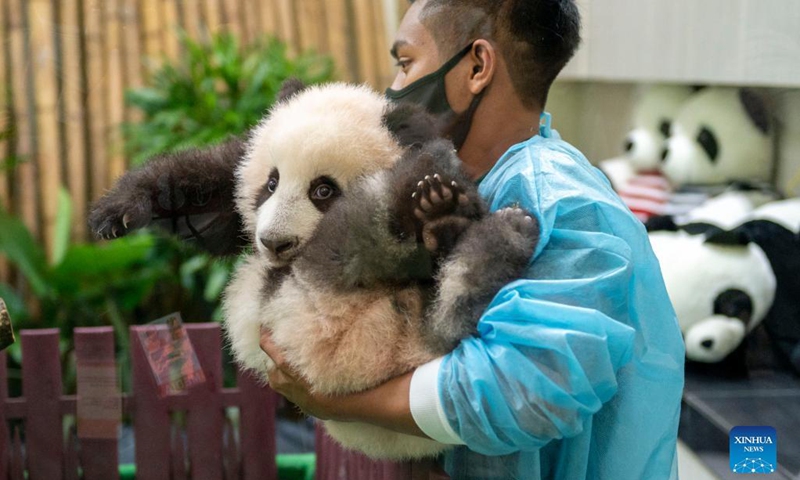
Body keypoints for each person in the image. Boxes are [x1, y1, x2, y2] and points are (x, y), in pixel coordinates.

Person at [260, 0, 686, 478]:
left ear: (477, 66)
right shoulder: (477, 184)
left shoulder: (559, 200)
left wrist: (338, 398)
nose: (391, 92)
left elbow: (523, 390)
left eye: (405, 64)